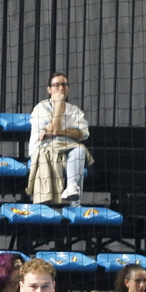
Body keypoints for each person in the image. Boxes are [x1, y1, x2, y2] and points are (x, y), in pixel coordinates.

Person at [26, 72, 93, 205]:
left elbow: (82, 134)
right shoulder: (40, 108)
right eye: (56, 85)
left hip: (68, 149)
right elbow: (55, 129)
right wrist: (58, 106)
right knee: (75, 149)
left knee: (80, 150)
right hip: (43, 149)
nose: (61, 88)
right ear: (49, 89)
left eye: (64, 85)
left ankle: (72, 189)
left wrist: (58, 132)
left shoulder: (74, 110)